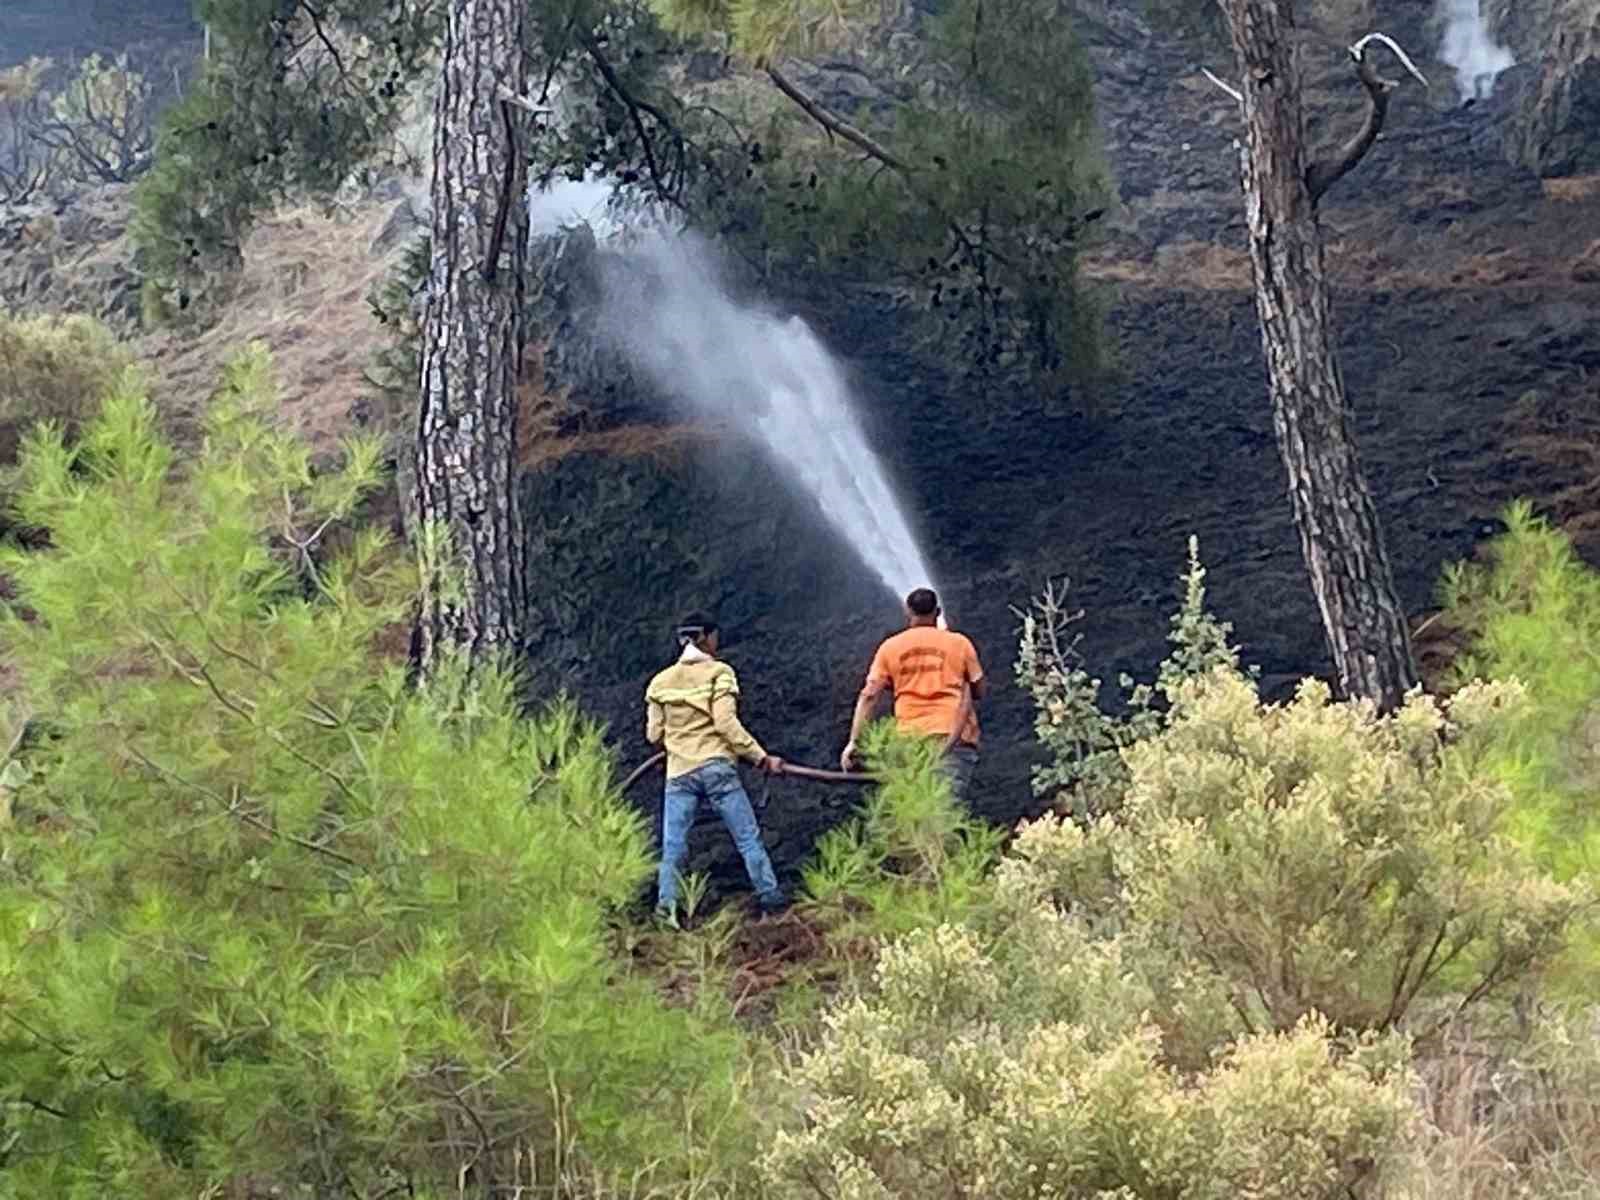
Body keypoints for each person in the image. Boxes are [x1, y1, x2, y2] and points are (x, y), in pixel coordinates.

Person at [646, 612, 787, 922]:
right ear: (707, 638)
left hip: (679, 773)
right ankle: (771, 899)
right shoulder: (720, 673)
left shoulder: (660, 682)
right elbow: (725, 723)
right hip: (716, 768)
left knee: (673, 846)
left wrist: (676, 742)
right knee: (747, 837)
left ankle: (665, 910)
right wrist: (761, 757)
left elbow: (654, 734)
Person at [841, 588, 986, 802]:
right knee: (946, 810)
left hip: (908, 742)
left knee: (914, 812)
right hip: (953, 738)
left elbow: (869, 696)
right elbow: (979, 689)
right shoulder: (960, 644)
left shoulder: (890, 648)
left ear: (907, 612)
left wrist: (854, 742)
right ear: (937, 612)